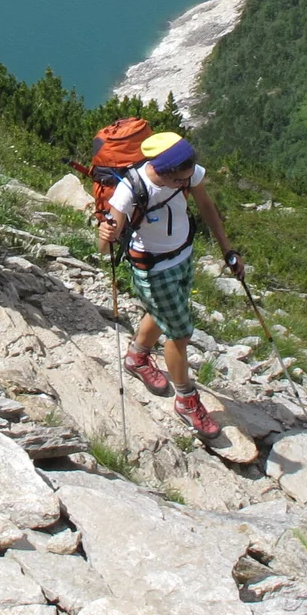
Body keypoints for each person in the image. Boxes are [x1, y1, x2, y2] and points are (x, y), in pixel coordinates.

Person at [98, 132, 244, 440]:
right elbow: (104, 246)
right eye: (180, 182)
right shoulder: (130, 190)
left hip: (183, 256)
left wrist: (227, 250)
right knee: (180, 334)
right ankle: (186, 401)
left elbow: (207, 207)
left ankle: (137, 357)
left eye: (188, 180)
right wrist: (105, 234)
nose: (186, 186)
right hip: (153, 268)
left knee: (162, 312)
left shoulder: (186, 173)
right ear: (162, 172)